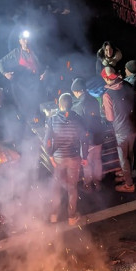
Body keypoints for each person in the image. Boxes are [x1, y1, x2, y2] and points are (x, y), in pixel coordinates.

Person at [44, 93, 88, 225]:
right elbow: (84, 140)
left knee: (56, 186)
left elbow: (46, 141)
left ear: (59, 105)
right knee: (72, 188)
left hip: (58, 158)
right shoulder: (78, 119)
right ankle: (71, 217)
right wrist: (84, 156)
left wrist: (50, 155)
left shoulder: (52, 120)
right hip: (74, 158)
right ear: (72, 105)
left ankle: (53, 215)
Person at [101, 67, 136, 193]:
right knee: (130, 152)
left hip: (122, 130)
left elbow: (110, 117)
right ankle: (129, 174)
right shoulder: (127, 84)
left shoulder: (107, 95)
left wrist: (103, 110)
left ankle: (129, 184)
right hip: (134, 125)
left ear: (106, 78)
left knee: (123, 158)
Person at [0, 30, 47, 123]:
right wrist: (5, 73)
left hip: (34, 83)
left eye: (27, 39)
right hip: (21, 86)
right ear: (20, 41)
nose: (26, 41)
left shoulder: (35, 52)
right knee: (24, 109)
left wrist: (45, 73)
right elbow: (0, 62)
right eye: (23, 40)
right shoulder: (16, 52)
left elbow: (46, 65)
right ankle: (24, 128)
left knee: (36, 107)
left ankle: (37, 126)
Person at [71, 77, 105, 191]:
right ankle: (98, 181)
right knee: (97, 159)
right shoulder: (94, 99)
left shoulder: (79, 106)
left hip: (88, 139)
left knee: (87, 162)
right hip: (99, 136)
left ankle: (88, 183)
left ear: (77, 91)